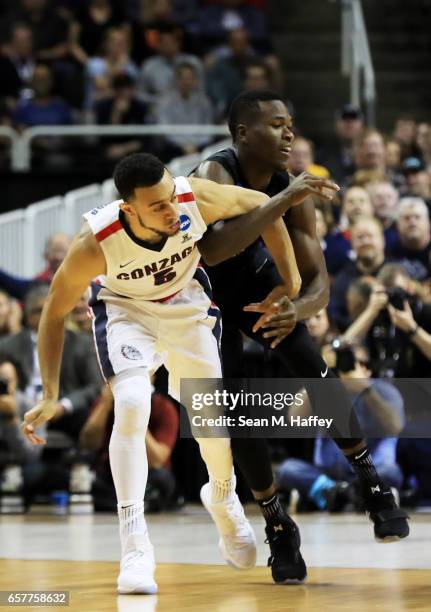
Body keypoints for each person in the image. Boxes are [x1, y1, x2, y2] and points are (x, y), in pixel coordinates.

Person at [21, 152, 337, 594]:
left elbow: (264, 208)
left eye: (172, 197)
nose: (173, 211)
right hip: (126, 312)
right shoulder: (95, 243)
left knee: (211, 419)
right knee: (132, 403)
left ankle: (223, 498)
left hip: (185, 306)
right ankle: (135, 546)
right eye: (158, 206)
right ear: (129, 209)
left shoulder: (195, 197)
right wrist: (51, 393)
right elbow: (53, 315)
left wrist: (292, 283)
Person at [194, 90, 409, 584]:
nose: (289, 132)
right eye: (276, 124)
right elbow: (216, 250)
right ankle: (276, 523)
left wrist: (299, 308)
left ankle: (372, 484)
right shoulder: (213, 175)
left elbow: (318, 280)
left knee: (313, 365)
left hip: (255, 284)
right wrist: (283, 200)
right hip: (204, 296)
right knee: (231, 409)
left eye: (290, 123)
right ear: (243, 133)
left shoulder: (289, 185)